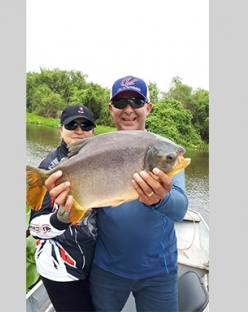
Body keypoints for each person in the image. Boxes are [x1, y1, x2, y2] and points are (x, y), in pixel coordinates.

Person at [46, 76, 189, 312]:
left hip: (158, 269)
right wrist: (65, 207)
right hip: (107, 268)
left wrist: (160, 199)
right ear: (111, 109)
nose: (129, 109)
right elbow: (81, 210)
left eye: (136, 101)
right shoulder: (96, 146)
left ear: (148, 107)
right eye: (121, 103)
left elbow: (180, 208)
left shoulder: (165, 150)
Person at [28, 104, 98, 312]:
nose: (79, 130)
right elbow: (35, 228)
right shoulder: (50, 169)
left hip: (92, 262)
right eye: (71, 125)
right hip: (61, 268)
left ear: (94, 131)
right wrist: (61, 219)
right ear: (60, 129)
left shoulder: (97, 161)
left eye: (86, 125)